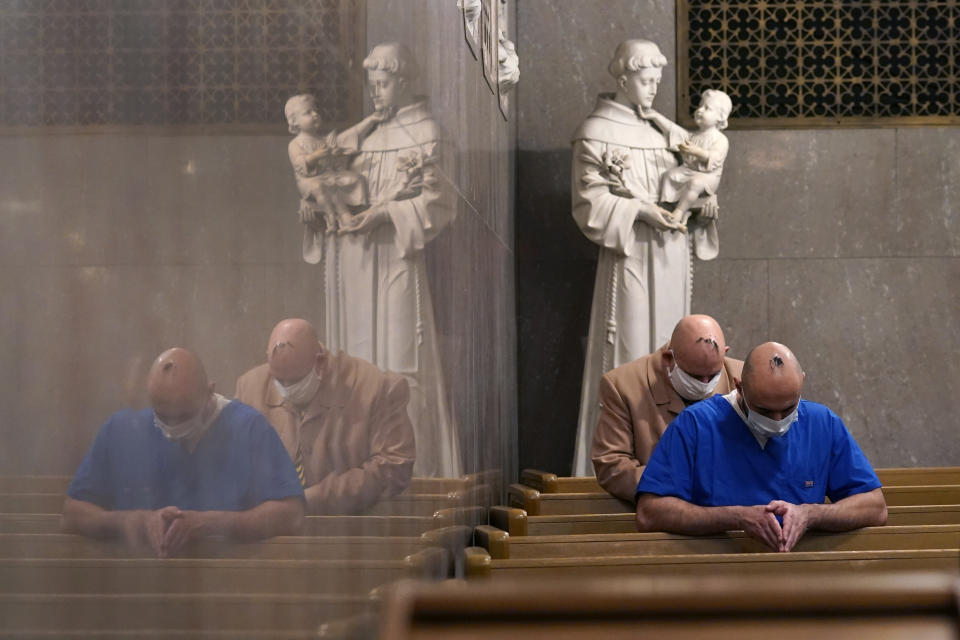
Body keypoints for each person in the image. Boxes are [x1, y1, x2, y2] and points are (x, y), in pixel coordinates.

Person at [570, 39, 721, 476]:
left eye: (657, 80)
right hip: (630, 253)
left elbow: (693, 179)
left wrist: (704, 206)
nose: (653, 89)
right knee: (634, 349)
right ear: (622, 79)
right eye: (644, 79)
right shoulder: (595, 130)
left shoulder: (666, 133)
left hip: (671, 256)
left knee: (678, 352)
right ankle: (622, 464)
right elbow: (588, 200)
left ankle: (679, 463)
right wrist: (639, 209)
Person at [316, 41, 460, 478]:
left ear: (404, 81)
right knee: (354, 358)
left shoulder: (428, 131)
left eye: (383, 83)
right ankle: (354, 464)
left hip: (398, 254)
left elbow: (439, 202)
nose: (376, 93)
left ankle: (408, 468)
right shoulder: (364, 136)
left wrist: (383, 213)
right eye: (372, 84)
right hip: (356, 260)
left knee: (399, 355)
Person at [635, 342, 887, 552]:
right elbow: (650, 512)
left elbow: (874, 507)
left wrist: (811, 514)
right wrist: (737, 517)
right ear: (740, 387)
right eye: (764, 410)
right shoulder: (696, 425)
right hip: (714, 574)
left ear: (802, 383)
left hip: (800, 573)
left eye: (789, 408)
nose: (778, 422)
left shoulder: (822, 423)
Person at [62, 348, 305, 558]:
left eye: (184, 415)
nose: (172, 426)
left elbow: (290, 513)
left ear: (210, 392)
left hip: (229, 581)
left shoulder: (249, 429)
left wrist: (212, 524)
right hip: (139, 581)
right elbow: (73, 512)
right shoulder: (123, 429)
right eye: (162, 415)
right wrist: (135, 521)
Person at [235, 318, 416, 515]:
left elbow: (394, 467)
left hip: (349, 530)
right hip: (269, 529)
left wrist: (312, 500)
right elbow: (233, 463)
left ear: (319, 362)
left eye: (295, 381)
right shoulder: (249, 388)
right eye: (278, 380)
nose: (286, 389)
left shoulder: (376, 387)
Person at [591, 314, 742, 503]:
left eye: (713, 375)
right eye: (694, 376)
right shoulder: (622, 385)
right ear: (668, 358)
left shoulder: (744, 379)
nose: (704, 384)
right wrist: (684, 483)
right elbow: (612, 467)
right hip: (659, 516)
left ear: (725, 352)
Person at [285, 93, 386, 260]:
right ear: (294, 121)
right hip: (309, 182)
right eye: (307, 113)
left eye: (315, 110)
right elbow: (301, 164)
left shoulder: (322, 140)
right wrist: (316, 156)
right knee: (321, 187)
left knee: (355, 179)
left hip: (328, 176)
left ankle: (359, 209)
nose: (315, 114)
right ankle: (333, 215)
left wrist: (335, 155)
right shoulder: (295, 143)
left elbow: (332, 162)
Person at [643, 89, 732, 224]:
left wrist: (697, 152)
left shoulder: (720, 139)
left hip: (708, 176)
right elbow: (676, 134)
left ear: (720, 117)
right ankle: (669, 207)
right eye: (700, 106)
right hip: (689, 170)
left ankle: (680, 211)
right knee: (669, 176)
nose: (700, 110)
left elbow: (715, 158)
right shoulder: (694, 136)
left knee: (695, 183)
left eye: (707, 108)